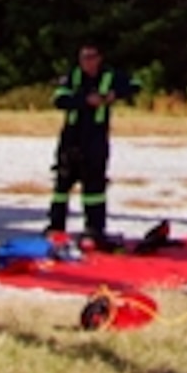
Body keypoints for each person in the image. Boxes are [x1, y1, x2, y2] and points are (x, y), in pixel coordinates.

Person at [48, 42, 138, 246]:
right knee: (62, 184)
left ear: (99, 58)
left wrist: (115, 94)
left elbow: (135, 84)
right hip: (71, 137)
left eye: (91, 57)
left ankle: (94, 229)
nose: (87, 62)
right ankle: (56, 226)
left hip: (95, 138)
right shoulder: (73, 76)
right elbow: (59, 99)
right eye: (83, 58)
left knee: (94, 186)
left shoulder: (110, 76)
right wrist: (85, 100)